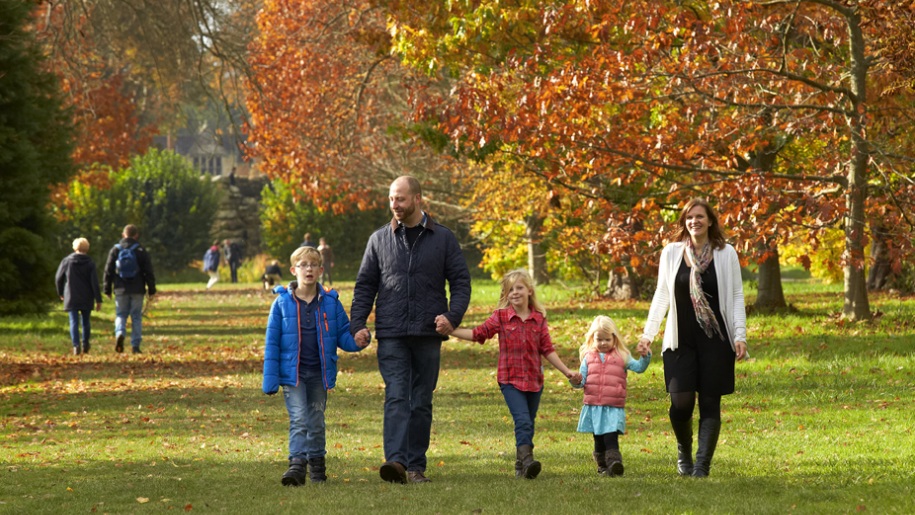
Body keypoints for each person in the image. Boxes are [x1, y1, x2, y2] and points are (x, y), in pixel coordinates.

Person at [350, 176, 472, 484]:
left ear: (418, 199)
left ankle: (416, 465)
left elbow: (460, 282)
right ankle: (396, 463)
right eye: (391, 199)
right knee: (396, 396)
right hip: (391, 332)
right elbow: (365, 285)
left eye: (401, 199)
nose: (395, 205)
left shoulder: (443, 238)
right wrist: (358, 324)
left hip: (428, 334)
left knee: (420, 399)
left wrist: (452, 317)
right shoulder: (378, 239)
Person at [636, 198, 748, 478]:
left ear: (710, 221)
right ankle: (684, 450)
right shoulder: (672, 252)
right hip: (680, 340)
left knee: (710, 402)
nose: (694, 221)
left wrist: (739, 335)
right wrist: (648, 334)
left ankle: (701, 466)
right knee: (680, 402)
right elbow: (662, 294)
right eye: (689, 217)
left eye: (699, 217)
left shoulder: (726, 253)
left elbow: (735, 296)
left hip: (716, 339)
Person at [445, 269, 580, 479]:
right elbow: (477, 334)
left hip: (535, 380)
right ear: (506, 295)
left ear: (529, 291)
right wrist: (450, 330)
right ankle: (528, 460)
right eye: (510, 290)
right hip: (510, 380)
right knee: (523, 420)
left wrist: (566, 372)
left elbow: (547, 349)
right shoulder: (501, 317)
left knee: (529, 422)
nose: (515, 293)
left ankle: (520, 465)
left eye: (519, 288)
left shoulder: (538, 318)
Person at [263, 246, 368, 486]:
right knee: (299, 418)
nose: (308, 269)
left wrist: (358, 340)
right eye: (303, 265)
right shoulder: (281, 304)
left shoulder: (330, 302)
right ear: (293, 270)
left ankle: (318, 468)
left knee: (316, 419)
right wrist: (270, 380)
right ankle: (297, 466)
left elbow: (343, 334)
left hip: (320, 373)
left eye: (313, 265)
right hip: (293, 374)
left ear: (321, 270)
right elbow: (272, 343)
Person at [573, 315, 651, 477]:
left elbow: (639, 368)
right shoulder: (588, 358)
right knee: (599, 439)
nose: (603, 343)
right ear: (592, 339)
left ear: (614, 338)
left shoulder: (622, 356)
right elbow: (581, 382)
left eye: (607, 339)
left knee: (611, 436)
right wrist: (575, 381)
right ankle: (602, 465)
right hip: (594, 406)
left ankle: (615, 463)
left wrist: (645, 357)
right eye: (599, 339)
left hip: (613, 407)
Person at [103, 224, 156, 354]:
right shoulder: (140, 250)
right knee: (136, 316)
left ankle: (120, 333)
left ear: (123, 234)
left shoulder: (115, 250)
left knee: (121, 314)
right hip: (137, 288)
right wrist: (151, 289)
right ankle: (135, 346)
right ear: (136, 235)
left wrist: (107, 288)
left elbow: (108, 270)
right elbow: (148, 271)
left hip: (120, 288)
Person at [55, 237, 103, 355]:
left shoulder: (67, 261)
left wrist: (61, 293)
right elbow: (94, 282)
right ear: (87, 248)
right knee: (86, 321)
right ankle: (85, 343)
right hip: (86, 296)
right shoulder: (90, 263)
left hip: (71, 296)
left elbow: (58, 278)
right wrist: (98, 299)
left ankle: (76, 346)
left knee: (73, 321)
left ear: (74, 247)